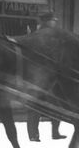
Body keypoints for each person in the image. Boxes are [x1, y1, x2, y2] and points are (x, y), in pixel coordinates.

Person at [26, 12, 65, 141]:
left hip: (44, 77)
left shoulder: (46, 35)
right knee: (38, 106)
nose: (54, 23)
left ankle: (43, 134)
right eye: (53, 21)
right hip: (40, 77)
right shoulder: (42, 35)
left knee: (50, 105)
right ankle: (40, 134)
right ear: (47, 22)